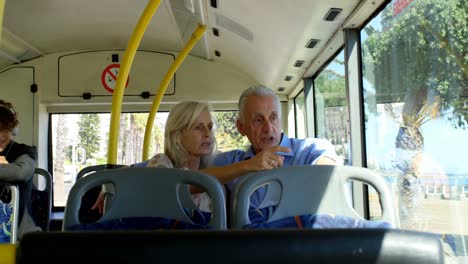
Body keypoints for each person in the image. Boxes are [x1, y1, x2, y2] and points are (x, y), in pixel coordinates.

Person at [202, 86, 343, 209]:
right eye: (258, 120)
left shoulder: (307, 150)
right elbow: (191, 184)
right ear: (241, 127)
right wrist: (248, 165)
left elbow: (330, 173)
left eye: (273, 117)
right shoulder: (232, 161)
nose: (268, 128)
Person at [92, 101, 217, 213]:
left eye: (209, 127)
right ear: (177, 134)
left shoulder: (215, 166)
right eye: (198, 128)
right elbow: (149, 176)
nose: (207, 134)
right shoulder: (162, 163)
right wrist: (113, 181)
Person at [0, 100, 41, 240]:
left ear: (14, 129)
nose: (0, 136)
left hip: (20, 233)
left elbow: (20, 173)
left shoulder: (25, 151)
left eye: (4, 129)